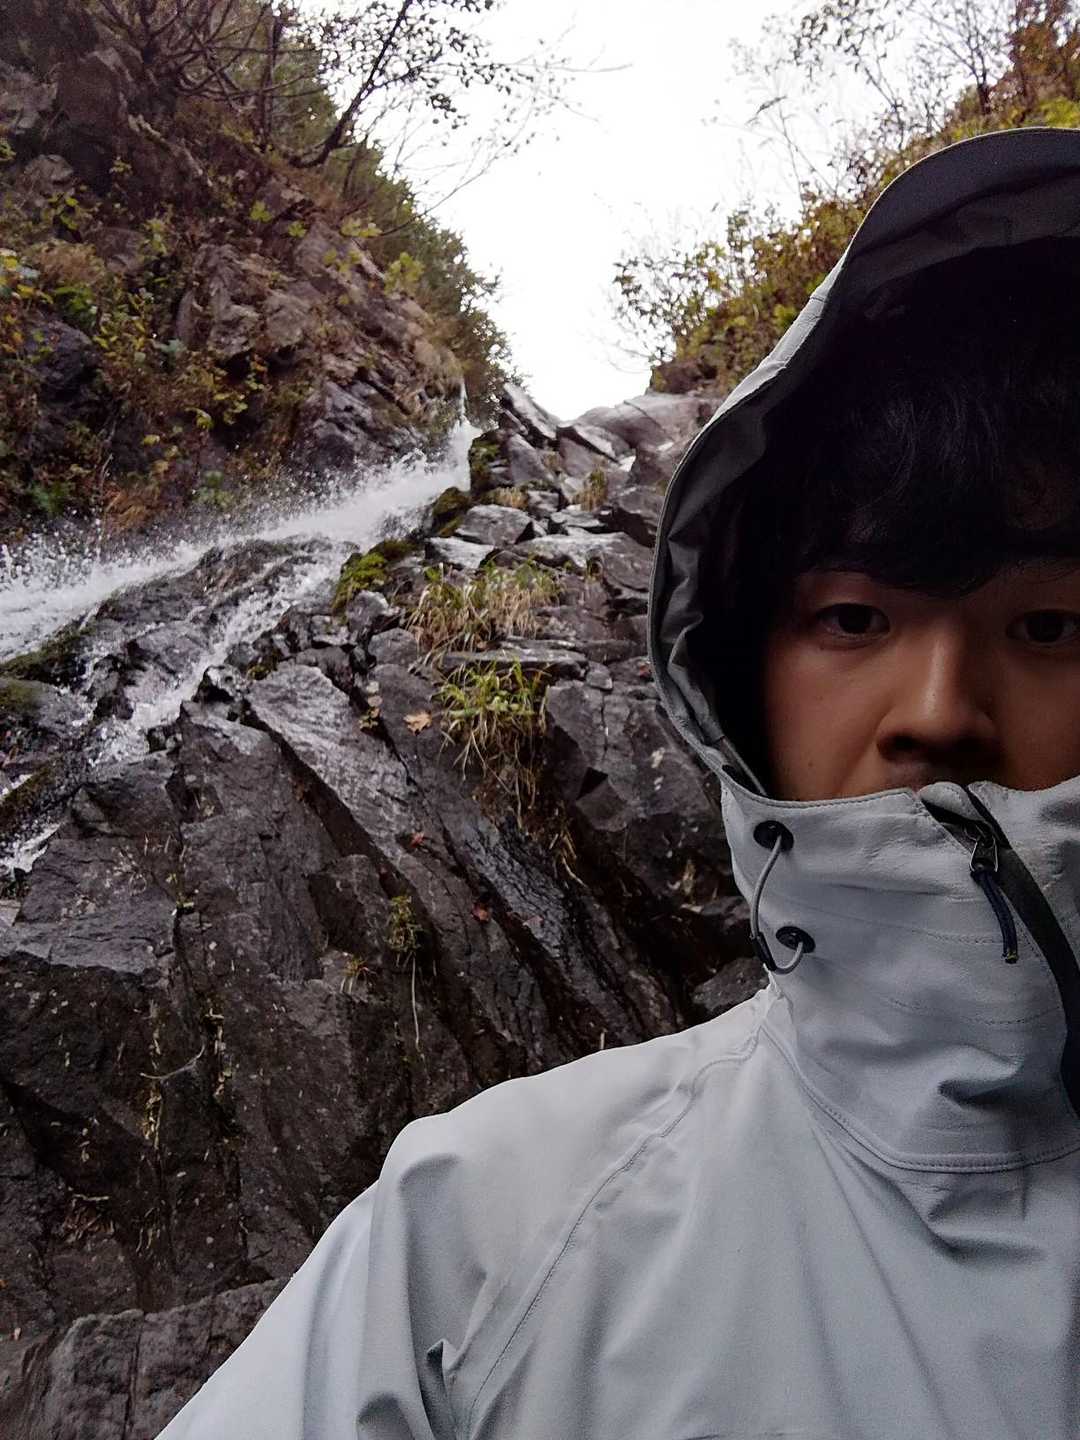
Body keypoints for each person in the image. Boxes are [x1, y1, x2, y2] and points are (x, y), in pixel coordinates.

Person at [157, 126, 1080, 1440]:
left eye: (1049, 625)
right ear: (738, 672)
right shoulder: (480, 1242)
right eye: (854, 619)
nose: (939, 711)